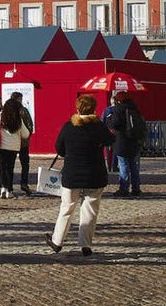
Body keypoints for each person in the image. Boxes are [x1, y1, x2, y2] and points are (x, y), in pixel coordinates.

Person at [45, 94, 114, 257]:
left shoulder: (69, 126)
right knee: (90, 210)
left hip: (72, 174)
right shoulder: (99, 127)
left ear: (77, 108)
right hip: (94, 175)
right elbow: (111, 139)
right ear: (94, 109)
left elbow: (59, 148)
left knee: (66, 209)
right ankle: (86, 245)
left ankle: (57, 241)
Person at [104, 91, 146, 197]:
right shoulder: (134, 108)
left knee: (123, 165)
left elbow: (113, 124)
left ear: (118, 100)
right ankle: (136, 188)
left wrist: (109, 118)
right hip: (134, 141)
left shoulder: (119, 109)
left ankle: (124, 189)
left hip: (122, 141)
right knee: (133, 166)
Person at [0, 98, 30, 199]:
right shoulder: (18, 118)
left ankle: (4, 189)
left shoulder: (0, 115)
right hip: (14, 147)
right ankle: (9, 189)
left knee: (2, 167)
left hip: (2, 146)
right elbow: (25, 134)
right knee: (10, 168)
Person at [10, 91, 35, 195]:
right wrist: (27, 135)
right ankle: (24, 183)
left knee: (9, 164)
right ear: (19, 99)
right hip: (23, 142)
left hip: (10, 142)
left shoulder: (7, 111)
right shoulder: (23, 110)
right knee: (25, 164)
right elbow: (30, 124)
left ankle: (8, 186)